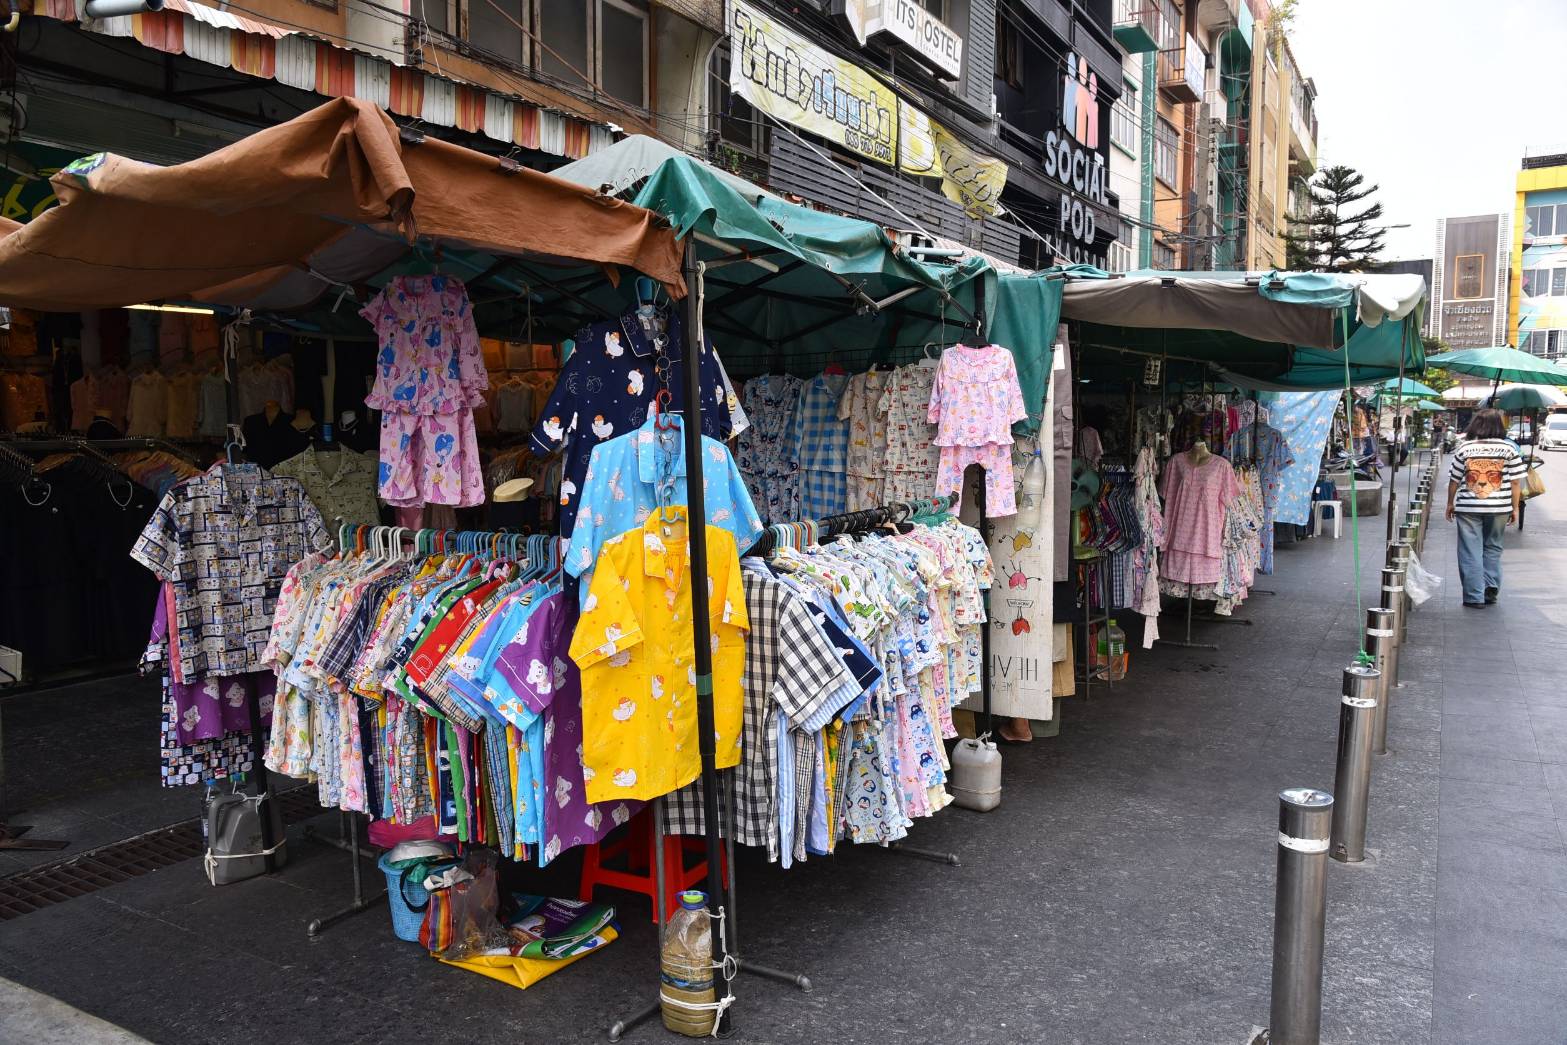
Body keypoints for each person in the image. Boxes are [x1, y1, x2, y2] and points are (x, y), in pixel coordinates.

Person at [1445, 408, 1526, 607]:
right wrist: (1515, 508)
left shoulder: (1465, 448)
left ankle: (1474, 596)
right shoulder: (1509, 449)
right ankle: (1490, 587)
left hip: (1468, 507)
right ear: (1499, 425)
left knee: (1469, 550)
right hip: (1499, 507)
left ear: (1476, 425)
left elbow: (1454, 479)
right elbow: (1516, 482)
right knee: (1493, 546)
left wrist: (1450, 503)